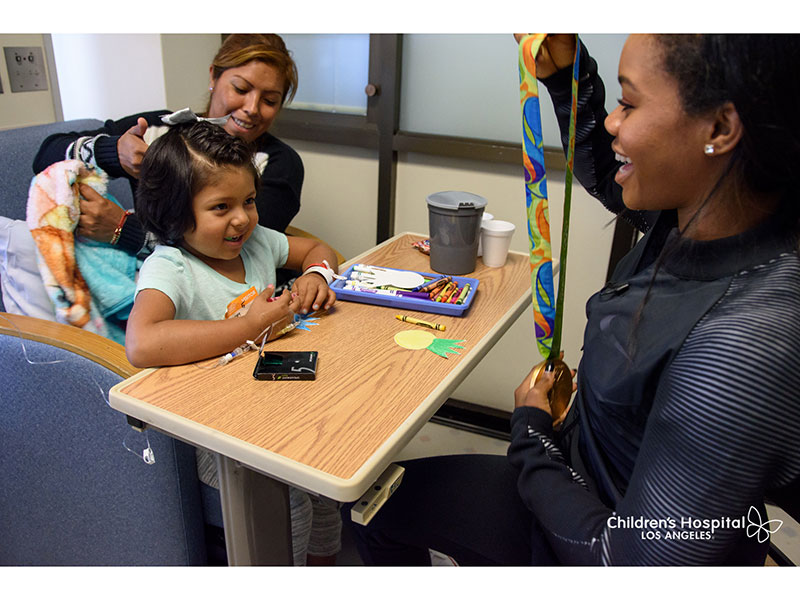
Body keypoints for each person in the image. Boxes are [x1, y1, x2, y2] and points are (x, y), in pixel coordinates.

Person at [346, 34, 800, 565]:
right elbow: (609, 175)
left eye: (629, 104)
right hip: (587, 468)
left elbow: (623, 563)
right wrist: (566, 78)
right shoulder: (704, 220)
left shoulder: (743, 345)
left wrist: (531, 435)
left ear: (720, 129)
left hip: (592, 530)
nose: (613, 122)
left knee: (375, 510)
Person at [126, 120, 341, 566]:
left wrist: (317, 275)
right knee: (289, 503)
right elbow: (142, 342)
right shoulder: (171, 267)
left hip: (271, 404)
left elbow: (317, 248)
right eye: (221, 207)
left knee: (327, 478)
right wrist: (247, 327)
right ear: (173, 214)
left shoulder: (256, 243)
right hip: (210, 432)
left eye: (248, 201)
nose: (241, 218)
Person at [32, 34, 303, 260]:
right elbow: (45, 156)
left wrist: (123, 229)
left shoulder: (280, 163)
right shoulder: (156, 130)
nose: (252, 109)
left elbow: (241, 251)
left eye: (269, 100)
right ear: (213, 77)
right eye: (241, 89)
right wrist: (113, 152)